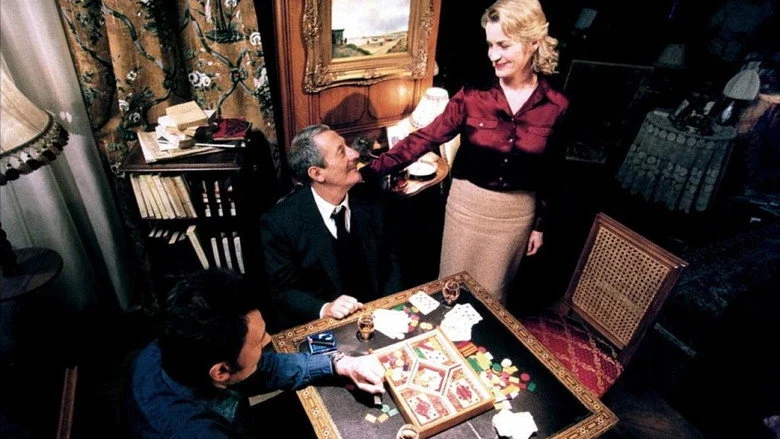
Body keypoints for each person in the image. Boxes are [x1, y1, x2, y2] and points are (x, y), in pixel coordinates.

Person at [361, 0, 568, 304]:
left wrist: (540, 226)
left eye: (503, 45)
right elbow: (425, 137)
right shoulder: (472, 95)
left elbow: (553, 173)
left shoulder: (556, 105)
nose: (493, 55)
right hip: (467, 207)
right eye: (490, 45)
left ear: (533, 42)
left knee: (493, 298)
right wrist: (369, 171)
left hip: (515, 216)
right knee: (450, 290)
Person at [127, 269, 385, 438]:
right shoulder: (195, 432)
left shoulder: (180, 341)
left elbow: (262, 368)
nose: (269, 340)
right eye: (259, 341)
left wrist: (339, 363)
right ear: (221, 371)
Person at [260, 125, 402, 329]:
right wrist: (325, 308)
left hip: (381, 318)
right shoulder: (279, 223)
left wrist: (388, 308)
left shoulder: (371, 198)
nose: (355, 154)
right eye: (341, 151)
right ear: (317, 173)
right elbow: (284, 292)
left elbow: (391, 260)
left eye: (347, 146)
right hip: (325, 327)